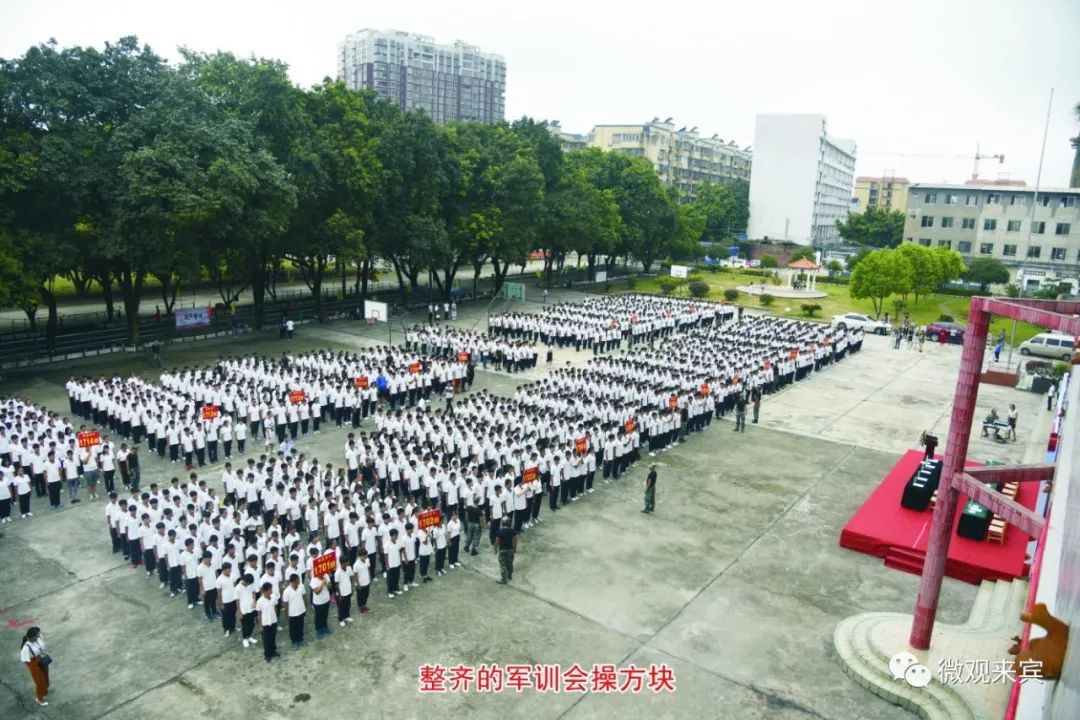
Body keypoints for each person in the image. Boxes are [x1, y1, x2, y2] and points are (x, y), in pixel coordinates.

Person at [20, 626, 50, 706]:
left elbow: (43, 647)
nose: (39, 635)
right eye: (37, 634)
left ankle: (45, 689)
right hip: (32, 663)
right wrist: (34, 665)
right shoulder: (26, 648)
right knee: (39, 680)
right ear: (32, 637)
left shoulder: (38, 640)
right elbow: (24, 659)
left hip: (39, 657)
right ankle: (39, 698)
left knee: (45, 674)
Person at [256, 582, 280, 662]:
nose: (271, 591)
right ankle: (267, 654)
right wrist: (260, 625)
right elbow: (259, 614)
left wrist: (276, 618)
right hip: (265, 623)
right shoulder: (260, 601)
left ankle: (273, 651)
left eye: (271, 589)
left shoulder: (273, 597)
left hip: (273, 620)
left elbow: (275, 607)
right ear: (264, 591)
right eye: (269, 590)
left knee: (273, 637)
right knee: (266, 639)